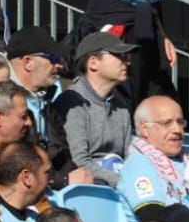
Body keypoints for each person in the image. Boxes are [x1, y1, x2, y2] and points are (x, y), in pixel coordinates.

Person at [51, 31, 136, 185]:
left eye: (127, 56)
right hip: (91, 188)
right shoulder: (72, 102)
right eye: (119, 55)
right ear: (93, 63)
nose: (127, 61)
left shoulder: (121, 107)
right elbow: (80, 162)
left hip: (120, 185)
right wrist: (127, 184)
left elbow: (130, 158)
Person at [118, 95, 189, 215]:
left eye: (180, 122)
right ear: (144, 128)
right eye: (167, 123)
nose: (178, 130)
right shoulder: (138, 164)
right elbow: (154, 219)